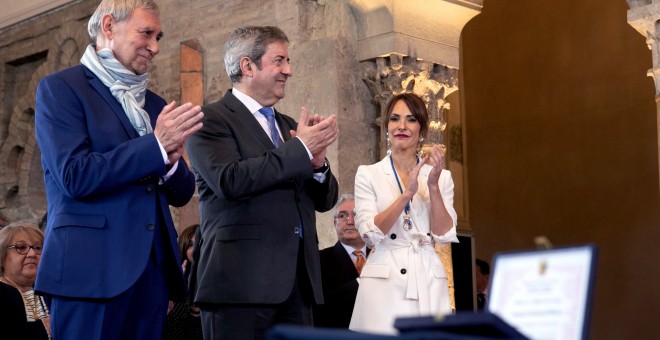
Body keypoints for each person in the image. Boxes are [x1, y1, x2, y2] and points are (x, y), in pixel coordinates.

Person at [33, 0, 203, 338]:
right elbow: (74, 175)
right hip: (90, 272)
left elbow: (183, 193)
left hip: (152, 274)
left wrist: (170, 165)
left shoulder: (154, 104)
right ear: (109, 27)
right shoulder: (61, 89)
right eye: (146, 34)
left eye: (159, 37)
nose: (154, 47)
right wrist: (154, 146)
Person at [186, 25, 339, 339]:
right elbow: (230, 180)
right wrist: (300, 149)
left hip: (298, 287)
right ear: (247, 66)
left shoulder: (288, 127)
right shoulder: (209, 120)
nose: (289, 70)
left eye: (288, 61)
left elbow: (324, 201)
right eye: (279, 61)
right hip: (239, 287)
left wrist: (318, 163)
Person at [349, 92, 459, 335]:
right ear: (387, 126)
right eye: (394, 119)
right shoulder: (368, 173)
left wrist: (432, 185)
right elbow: (369, 232)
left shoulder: (442, 177)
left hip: (427, 275)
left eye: (410, 120)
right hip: (383, 280)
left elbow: (443, 234)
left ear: (422, 130)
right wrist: (406, 195)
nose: (401, 126)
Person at [314, 193, 369, 328]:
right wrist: (363, 280)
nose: (350, 221)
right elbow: (320, 308)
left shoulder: (384, 256)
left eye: (356, 215)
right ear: (334, 223)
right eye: (342, 215)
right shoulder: (318, 260)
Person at [0, 223, 50, 339]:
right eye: (21, 247)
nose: (32, 254)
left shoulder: (50, 293)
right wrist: (43, 328)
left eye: (38, 248)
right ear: (2, 257)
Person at [164, 224, 203, 340]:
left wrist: (196, 314)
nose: (195, 249)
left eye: (199, 243)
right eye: (190, 245)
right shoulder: (172, 277)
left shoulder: (215, 281)